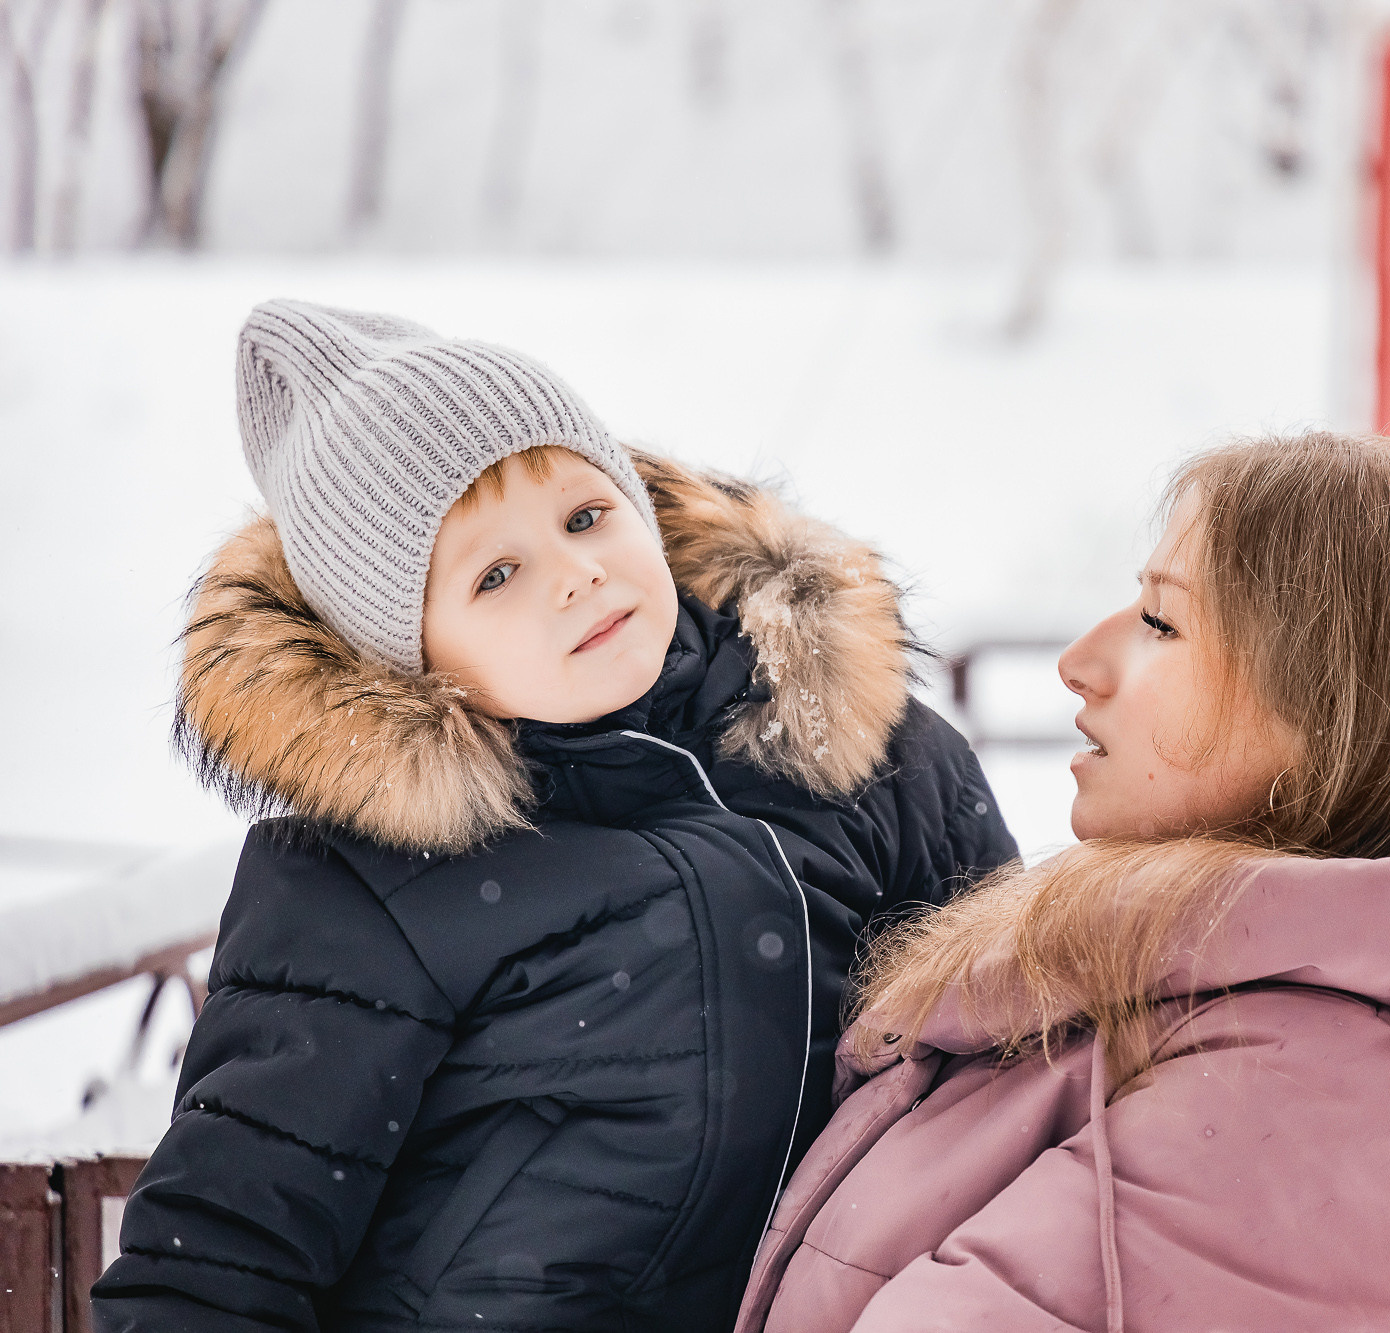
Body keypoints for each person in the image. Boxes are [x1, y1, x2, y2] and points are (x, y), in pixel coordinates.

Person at [92, 300, 1016, 1332]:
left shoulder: (861, 751)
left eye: (585, 516)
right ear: (409, 659)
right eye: (495, 574)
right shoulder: (364, 879)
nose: (576, 574)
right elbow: (223, 1251)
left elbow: (1030, 1054)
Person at [734, 433, 1390, 1333]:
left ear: (1337, 722)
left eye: (1160, 621)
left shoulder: (1319, 1102)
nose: (1082, 665)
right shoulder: (1189, 1004)